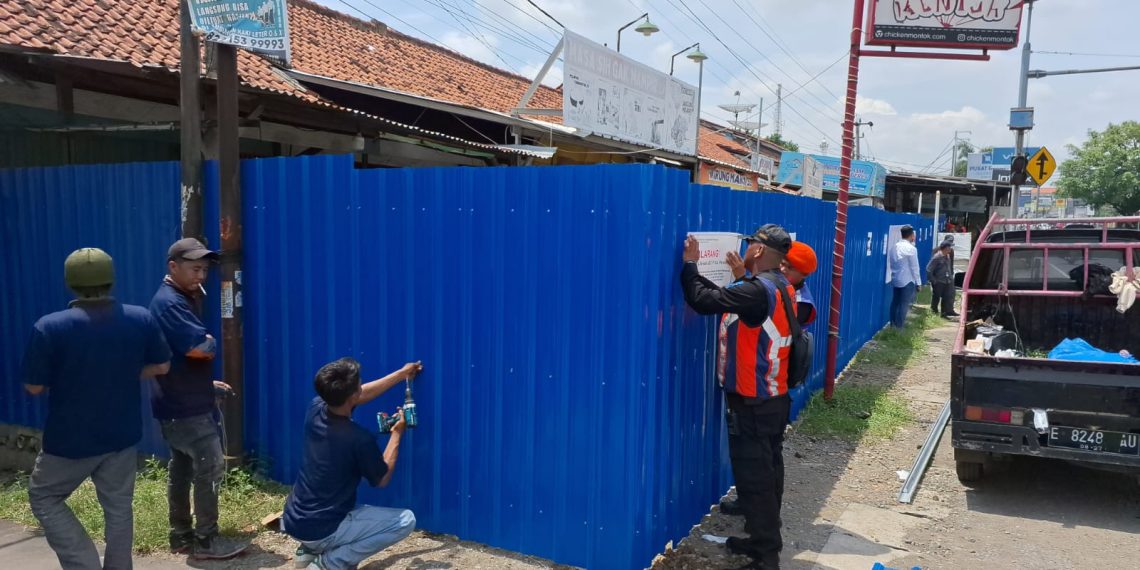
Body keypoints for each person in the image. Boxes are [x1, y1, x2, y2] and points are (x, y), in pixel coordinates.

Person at [23, 248, 172, 570]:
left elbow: (34, 387)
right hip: (121, 434)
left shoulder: (49, 327)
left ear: (70, 283)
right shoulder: (138, 318)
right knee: (119, 507)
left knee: (44, 496)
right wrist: (125, 370)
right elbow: (161, 366)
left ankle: (83, 563)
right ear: (111, 279)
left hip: (69, 441)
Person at [681, 224, 796, 570]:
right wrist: (738, 276)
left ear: (758, 251)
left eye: (750, 245)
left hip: (755, 402)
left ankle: (765, 557)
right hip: (774, 396)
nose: (746, 248)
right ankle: (761, 539)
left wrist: (691, 264)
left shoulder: (755, 290)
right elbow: (744, 307)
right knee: (769, 470)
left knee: (755, 480)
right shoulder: (779, 285)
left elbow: (702, 301)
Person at [149, 238, 247, 560]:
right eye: (194, 269)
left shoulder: (180, 298)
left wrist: (207, 384)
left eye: (204, 270)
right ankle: (207, 542)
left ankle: (180, 535)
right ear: (172, 267)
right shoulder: (171, 303)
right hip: (186, 408)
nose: (200, 276)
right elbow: (197, 349)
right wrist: (209, 342)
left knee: (183, 469)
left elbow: (180, 357)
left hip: (177, 400)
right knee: (212, 467)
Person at [283, 358, 423, 570]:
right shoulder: (358, 438)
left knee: (334, 503)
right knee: (405, 520)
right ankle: (330, 563)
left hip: (294, 519)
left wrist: (401, 374)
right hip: (322, 527)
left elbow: (359, 394)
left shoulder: (316, 408)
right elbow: (382, 479)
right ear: (352, 395)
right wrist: (396, 434)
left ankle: (309, 550)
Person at [889, 226, 922, 328]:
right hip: (907, 280)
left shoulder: (894, 247)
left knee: (895, 303)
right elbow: (914, 267)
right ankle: (899, 328)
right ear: (912, 235)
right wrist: (919, 282)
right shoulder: (912, 249)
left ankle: (893, 325)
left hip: (895, 278)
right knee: (903, 304)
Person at [928, 241, 959, 318]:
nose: (951, 249)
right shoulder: (937, 257)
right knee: (936, 297)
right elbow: (929, 269)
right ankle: (933, 312)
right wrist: (933, 281)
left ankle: (944, 313)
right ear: (946, 248)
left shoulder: (947, 256)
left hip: (947, 280)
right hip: (939, 281)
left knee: (946, 297)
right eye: (949, 247)